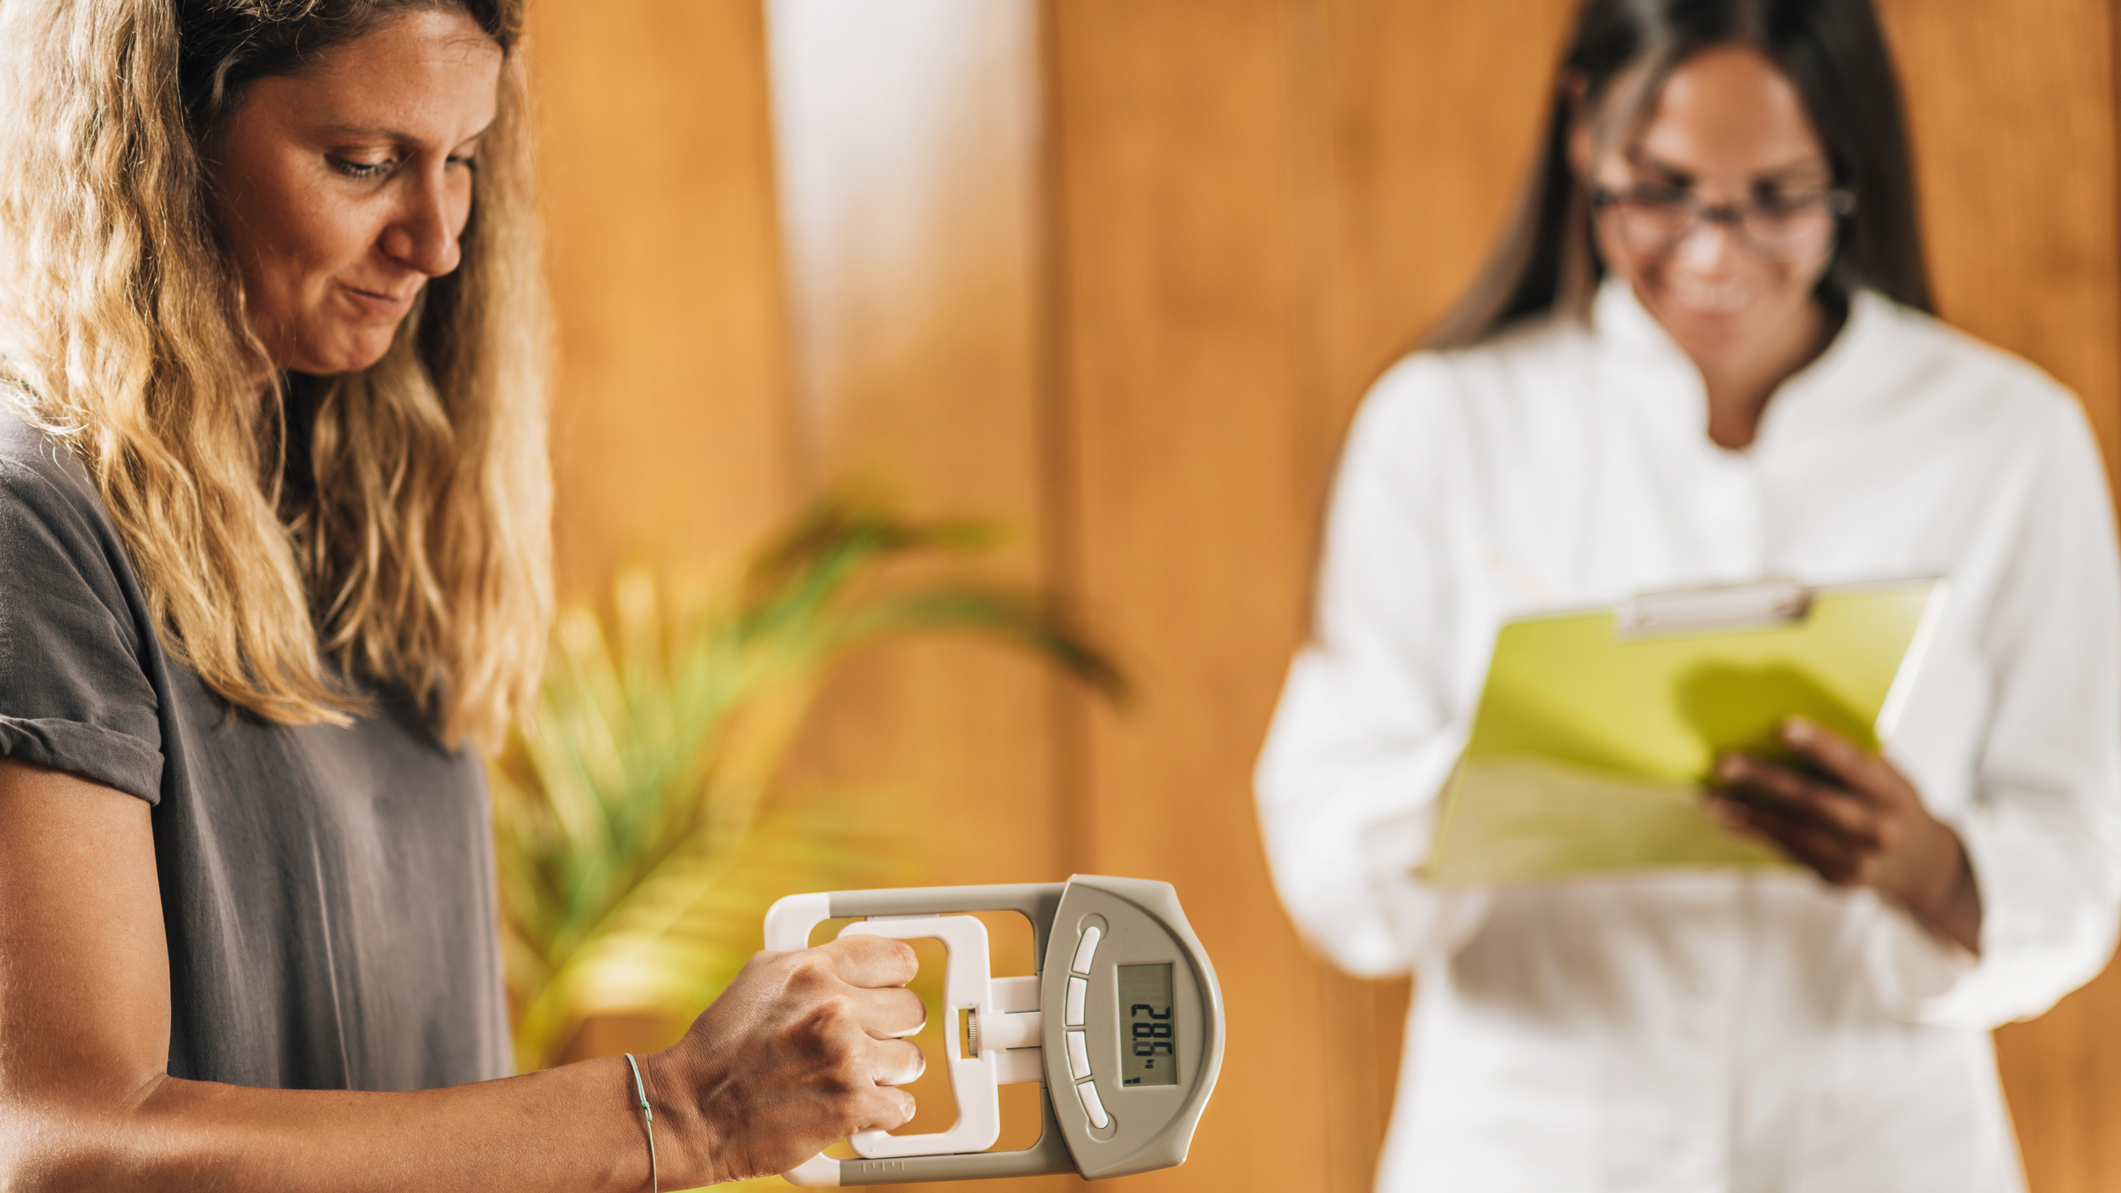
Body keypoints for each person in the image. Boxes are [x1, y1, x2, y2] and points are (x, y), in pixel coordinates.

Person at [0, 2, 925, 1188]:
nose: (436, 242)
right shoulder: (38, 525)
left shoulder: (372, 502)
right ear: (165, 136)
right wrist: (679, 1111)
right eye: (365, 163)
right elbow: (62, 1143)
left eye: (465, 161)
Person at [1256, 2, 2121, 1190]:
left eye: (1777, 198)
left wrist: (1929, 865)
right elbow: (1326, 852)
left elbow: (2081, 861)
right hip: (1526, 1147)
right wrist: (1485, 781)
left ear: (1849, 163)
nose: (1714, 254)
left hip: (1882, 1147)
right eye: (1659, 192)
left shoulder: (2009, 437)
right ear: (1583, 136)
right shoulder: (1444, 420)